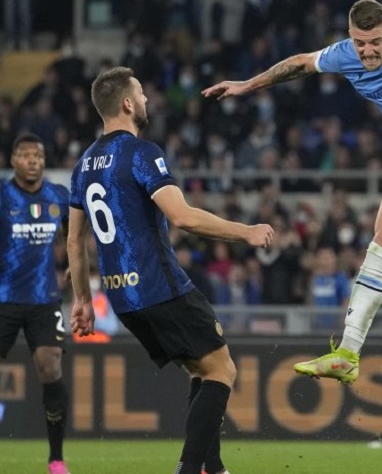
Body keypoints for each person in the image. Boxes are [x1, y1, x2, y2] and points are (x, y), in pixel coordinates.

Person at [203, 0, 382, 384]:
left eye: (376, 42)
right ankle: (348, 354)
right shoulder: (344, 55)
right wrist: (247, 85)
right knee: (380, 247)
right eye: (360, 43)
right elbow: (301, 63)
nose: (368, 51)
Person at [68, 67, 274, 474]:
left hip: (120, 296)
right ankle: (190, 468)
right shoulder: (142, 153)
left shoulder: (84, 164)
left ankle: (212, 468)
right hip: (158, 284)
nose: (146, 101)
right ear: (127, 103)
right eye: (141, 94)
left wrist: (81, 300)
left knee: (202, 368)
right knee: (222, 370)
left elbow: (75, 241)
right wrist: (245, 231)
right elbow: (182, 217)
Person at [0, 133, 71, 474]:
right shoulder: (2, 197)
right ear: (12, 160)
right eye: (25, 155)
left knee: (51, 367)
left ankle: (56, 459)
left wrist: (77, 260)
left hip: (44, 299)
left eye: (38, 155)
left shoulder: (58, 195)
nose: (33, 160)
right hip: (3, 298)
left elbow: (80, 231)